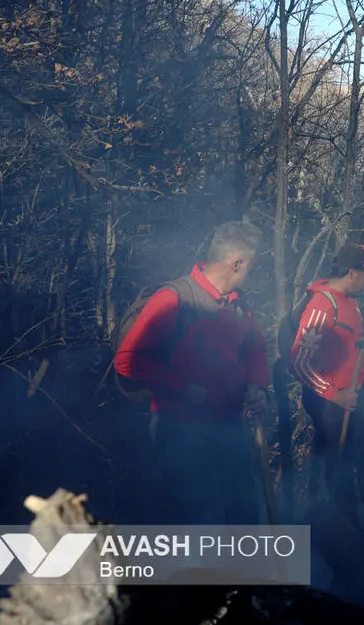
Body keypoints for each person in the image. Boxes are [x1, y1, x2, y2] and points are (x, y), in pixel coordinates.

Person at [114, 221, 271, 525]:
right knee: (203, 517)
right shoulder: (174, 298)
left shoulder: (238, 301)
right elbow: (127, 361)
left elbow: (256, 346)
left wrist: (258, 385)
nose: (252, 272)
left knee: (245, 510)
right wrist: (180, 387)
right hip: (181, 430)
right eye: (251, 265)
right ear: (237, 263)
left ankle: (246, 573)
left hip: (229, 426)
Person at [288, 243, 364, 544]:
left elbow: (356, 352)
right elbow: (298, 363)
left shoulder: (353, 304)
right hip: (330, 407)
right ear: (351, 273)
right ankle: (350, 539)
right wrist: (334, 394)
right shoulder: (322, 306)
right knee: (341, 472)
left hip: (360, 399)